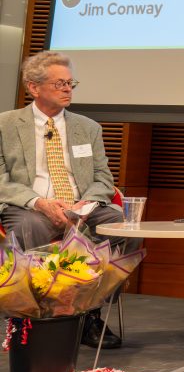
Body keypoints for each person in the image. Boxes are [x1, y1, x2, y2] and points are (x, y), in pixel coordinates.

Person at [0, 51, 136, 348]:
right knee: (30, 227)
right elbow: (1, 180)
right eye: (60, 83)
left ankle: (90, 312)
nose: (67, 89)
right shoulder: (6, 125)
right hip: (29, 206)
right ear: (33, 87)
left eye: (70, 83)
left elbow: (103, 179)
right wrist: (40, 202)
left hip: (81, 206)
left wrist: (83, 206)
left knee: (122, 224)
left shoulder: (88, 127)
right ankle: (35, 317)